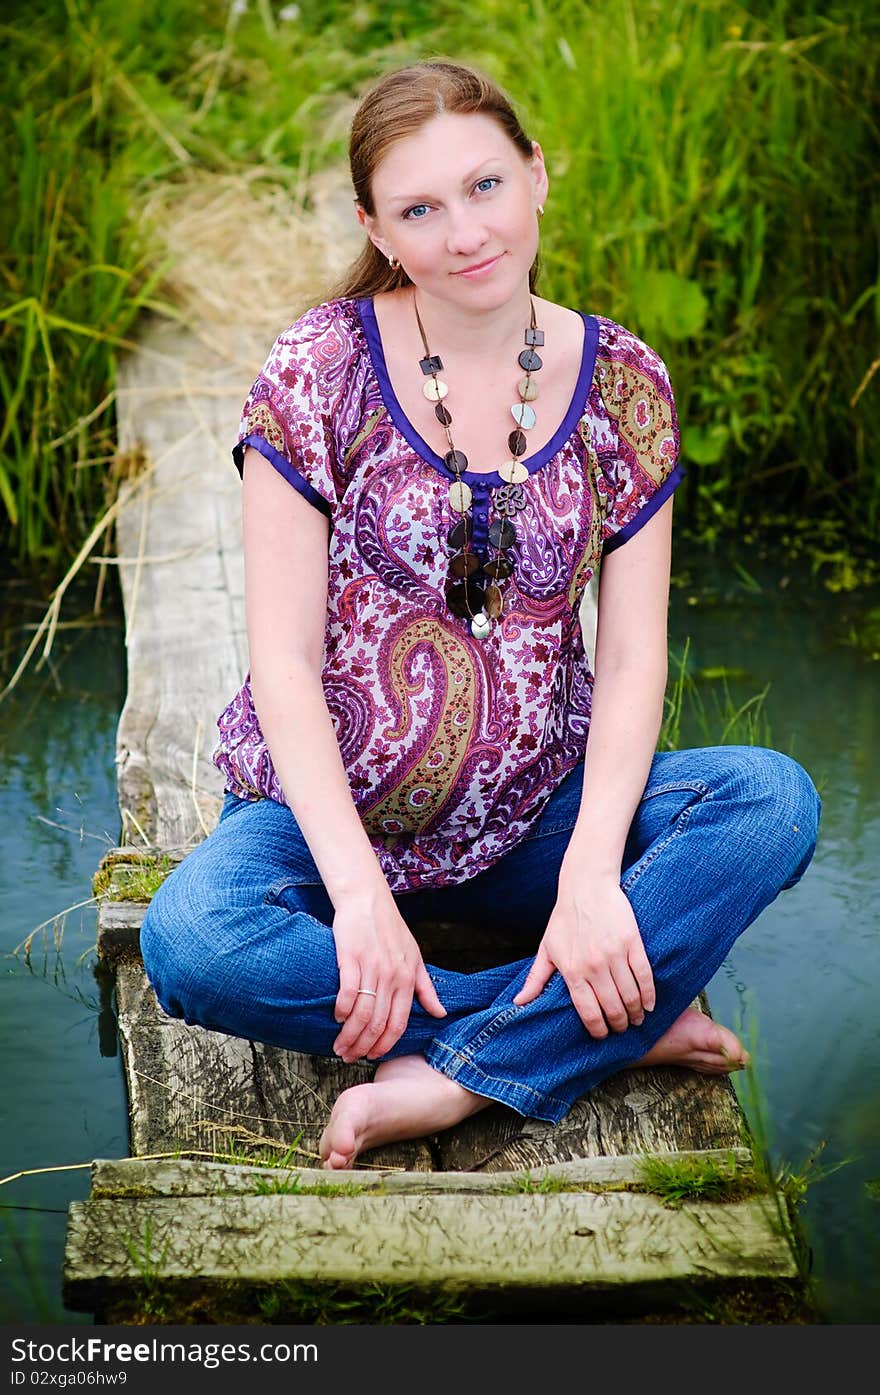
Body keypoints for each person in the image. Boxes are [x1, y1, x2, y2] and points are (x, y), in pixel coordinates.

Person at [139, 60, 821, 1171]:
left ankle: (460, 1072)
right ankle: (600, 1029)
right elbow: (282, 660)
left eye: (484, 185)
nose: (465, 233)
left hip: (532, 822)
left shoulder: (623, 387)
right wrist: (356, 895)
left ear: (536, 176)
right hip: (323, 821)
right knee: (194, 943)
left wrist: (594, 877)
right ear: (378, 229)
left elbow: (635, 657)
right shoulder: (320, 369)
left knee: (768, 803)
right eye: (419, 209)